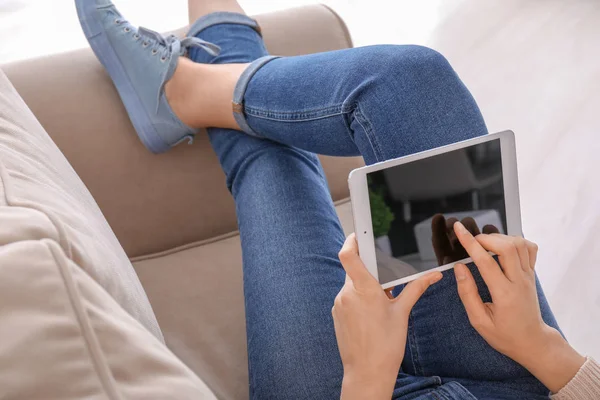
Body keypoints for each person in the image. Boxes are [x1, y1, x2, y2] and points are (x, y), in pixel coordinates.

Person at [75, 0, 599, 398]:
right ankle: (191, 91)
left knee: (272, 160)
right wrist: (543, 346)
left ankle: (192, 80)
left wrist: (366, 376)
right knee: (411, 83)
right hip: (522, 375)